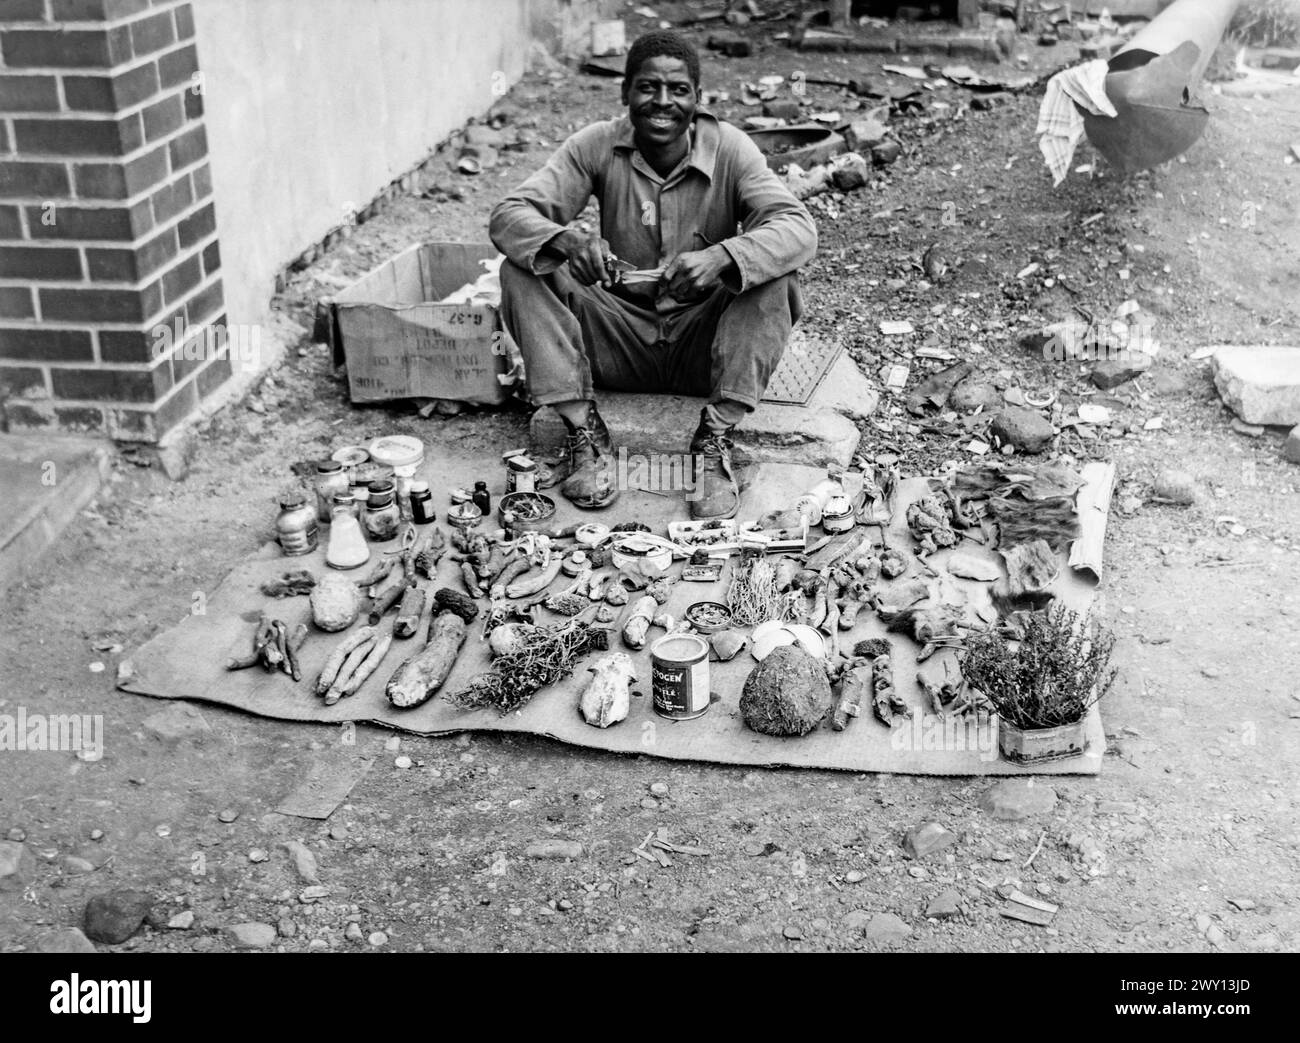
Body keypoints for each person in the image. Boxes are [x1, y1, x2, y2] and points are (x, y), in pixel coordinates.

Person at [489, 29, 817, 519]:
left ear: (698, 99)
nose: (662, 102)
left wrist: (724, 257)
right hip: (616, 343)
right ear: (625, 94)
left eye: (678, 90)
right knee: (522, 269)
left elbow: (798, 229)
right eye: (647, 87)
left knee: (775, 274)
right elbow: (508, 215)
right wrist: (567, 241)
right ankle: (585, 434)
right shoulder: (595, 145)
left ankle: (714, 440)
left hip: (702, 350)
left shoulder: (731, 149)